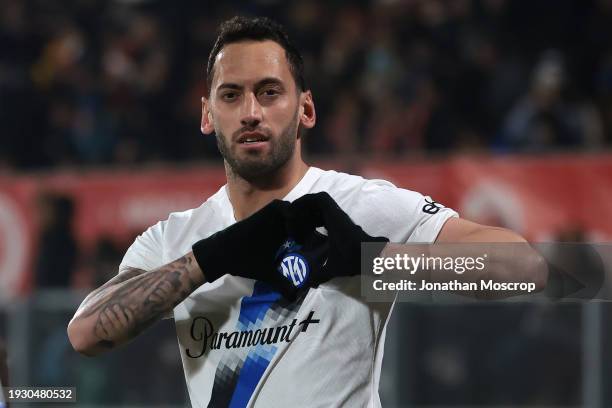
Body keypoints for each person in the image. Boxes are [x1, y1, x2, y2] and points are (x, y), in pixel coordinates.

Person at [67, 16, 542, 407]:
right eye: (231, 95)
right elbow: (86, 334)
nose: (251, 111)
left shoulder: (361, 205)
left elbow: (525, 269)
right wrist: (208, 259)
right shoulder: (175, 238)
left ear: (306, 109)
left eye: (269, 92)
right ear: (208, 114)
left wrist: (373, 261)